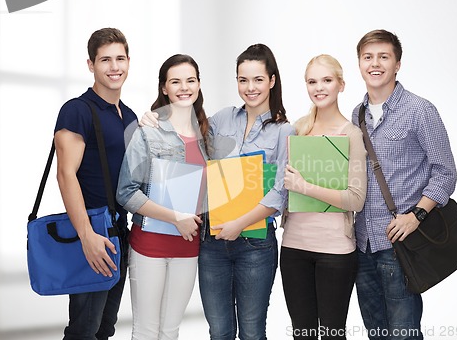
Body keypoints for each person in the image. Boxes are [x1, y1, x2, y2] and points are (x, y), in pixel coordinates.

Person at [351, 30, 457, 340]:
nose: (375, 64)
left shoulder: (420, 110)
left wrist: (416, 215)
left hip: (400, 245)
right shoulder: (356, 115)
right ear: (359, 64)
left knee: (404, 335)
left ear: (397, 64)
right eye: (368, 57)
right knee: (376, 334)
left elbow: (445, 173)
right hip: (363, 245)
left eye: (383, 57)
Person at [198, 43, 295, 340]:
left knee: (252, 332)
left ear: (272, 81)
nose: (249, 87)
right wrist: (156, 117)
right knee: (219, 331)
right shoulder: (222, 118)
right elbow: (189, 136)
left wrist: (239, 224)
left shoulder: (284, 131)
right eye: (243, 80)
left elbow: (280, 192)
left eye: (257, 79)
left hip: (255, 244)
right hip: (213, 242)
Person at [116, 54, 209, 339]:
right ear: (164, 88)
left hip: (189, 247)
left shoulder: (206, 133)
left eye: (190, 80)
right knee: (146, 331)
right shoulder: (148, 131)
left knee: (170, 331)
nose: (184, 87)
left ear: (198, 84)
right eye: (175, 81)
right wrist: (175, 218)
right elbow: (126, 192)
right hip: (150, 246)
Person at [54, 28, 138, 340]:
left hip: (120, 234)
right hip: (92, 232)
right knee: (83, 330)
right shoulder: (77, 110)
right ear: (91, 65)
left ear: (129, 61)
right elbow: (65, 175)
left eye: (120, 58)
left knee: (104, 328)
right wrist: (86, 235)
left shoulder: (129, 116)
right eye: (105, 60)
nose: (114, 67)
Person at [280, 54, 367, 340]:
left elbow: (355, 199)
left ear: (341, 85)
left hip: (335, 251)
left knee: (332, 334)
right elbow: (280, 186)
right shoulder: (297, 130)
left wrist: (304, 186)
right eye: (312, 81)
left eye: (327, 80)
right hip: (293, 248)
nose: (319, 87)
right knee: (302, 334)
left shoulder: (351, 134)